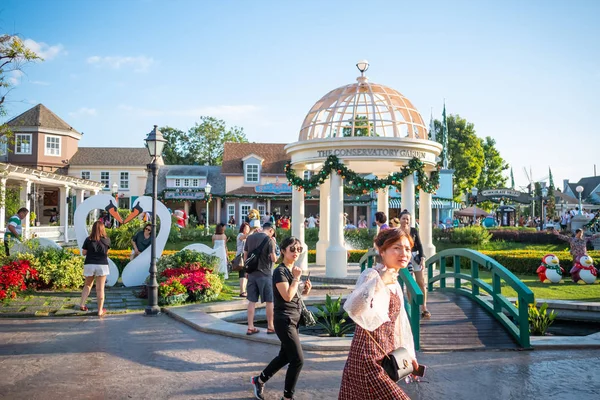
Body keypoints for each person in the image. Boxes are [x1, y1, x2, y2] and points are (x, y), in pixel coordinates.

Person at [338, 228, 419, 400]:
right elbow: (354, 307)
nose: (403, 253)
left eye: (407, 249)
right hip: (366, 358)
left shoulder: (396, 282)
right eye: (396, 248)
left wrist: (409, 356)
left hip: (386, 357)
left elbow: (400, 323)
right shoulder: (371, 275)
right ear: (382, 251)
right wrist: (380, 281)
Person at [250, 236, 311, 400]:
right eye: (292, 249)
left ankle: (259, 379)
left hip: (294, 320)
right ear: (283, 251)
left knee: (285, 356)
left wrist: (304, 290)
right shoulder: (280, 271)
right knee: (298, 360)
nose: (296, 252)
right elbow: (286, 296)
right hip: (284, 321)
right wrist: (297, 279)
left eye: (298, 249)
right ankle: (287, 397)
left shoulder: (292, 270)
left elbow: (295, 296)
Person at [244, 221, 278, 335]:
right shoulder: (269, 240)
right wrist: (276, 255)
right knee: (269, 301)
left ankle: (250, 327)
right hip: (265, 274)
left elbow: (245, 255)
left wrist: (247, 270)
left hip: (252, 274)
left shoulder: (250, 238)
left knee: (251, 301)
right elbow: (273, 259)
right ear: (271, 230)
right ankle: (270, 326)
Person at [399, 210, 430, 318]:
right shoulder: (397, 232)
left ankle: (424, 307)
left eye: (408, 219)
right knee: (409, 283)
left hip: (415, 256)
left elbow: (420, 245)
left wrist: (422, 258)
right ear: (400, 219)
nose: (406, 221)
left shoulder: (413, 230)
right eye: (404, 218)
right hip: (404, 257)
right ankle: (412, 306)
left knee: (421, 282)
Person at [78, 221, 111, 317]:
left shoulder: (88, 240)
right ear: (102, 229)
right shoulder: (107, 240)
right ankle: (100, 311)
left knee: (87, 285)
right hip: (102, 265)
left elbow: (84, 253)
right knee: (100, 289)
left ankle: (82, 304)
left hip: (90, 264)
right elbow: (106, 253)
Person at [236, 222, 251, 297]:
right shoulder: (240, 235)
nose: (247, 230)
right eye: (246, 228)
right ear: (242, 229)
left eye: (248, 228)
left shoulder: (248, 237)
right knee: (242, 273)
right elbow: (245, 236)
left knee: (245, 274)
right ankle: (242, 291)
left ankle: (244, 291)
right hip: (241, 257)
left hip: (246, 257)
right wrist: (252, 231)